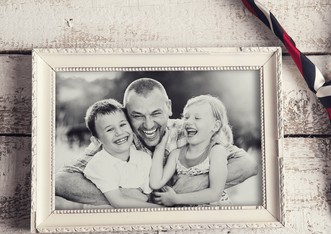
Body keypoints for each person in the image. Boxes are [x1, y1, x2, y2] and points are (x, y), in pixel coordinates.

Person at [55, 78, 258, 209]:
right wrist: (134, 199)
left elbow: (247, 165)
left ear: (168, 107)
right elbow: (61, 182)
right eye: (138, 116)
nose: (149, 125)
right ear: (126, 113)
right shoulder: (116, 140)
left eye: (156, 113)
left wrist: (187, 189)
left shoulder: (186, 131)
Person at [150, 95, 233, 206]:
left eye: (197, 118)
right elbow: (155, 183)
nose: (188, 122)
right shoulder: (176, 154)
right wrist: (160, 147)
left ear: (215, 126)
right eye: (186, 117)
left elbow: (215, 193)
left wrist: (176, 199)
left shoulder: (216, 151)